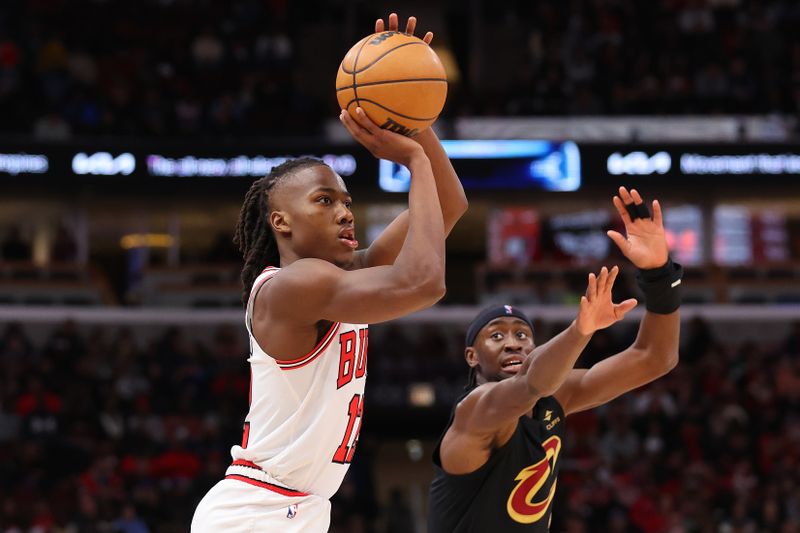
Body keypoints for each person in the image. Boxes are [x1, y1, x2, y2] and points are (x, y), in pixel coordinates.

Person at [191, 14, 467, 533]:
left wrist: (415, 117)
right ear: (281, 221)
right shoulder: (293, 285)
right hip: (256, 511)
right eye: (324, 200)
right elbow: (426, 282)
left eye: (346, 201)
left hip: (300, 507)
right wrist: (411, 158)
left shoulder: (345, 276)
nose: (346, 212)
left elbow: (450, 207)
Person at [428, 187, 682, 532]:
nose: (512, 344)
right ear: (471, 356)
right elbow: (532, 384)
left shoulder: (554, 399)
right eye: (496, 335)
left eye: (521, 335)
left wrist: (659, 273)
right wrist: (580, 330)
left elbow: (655, 358)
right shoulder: (475, 411)